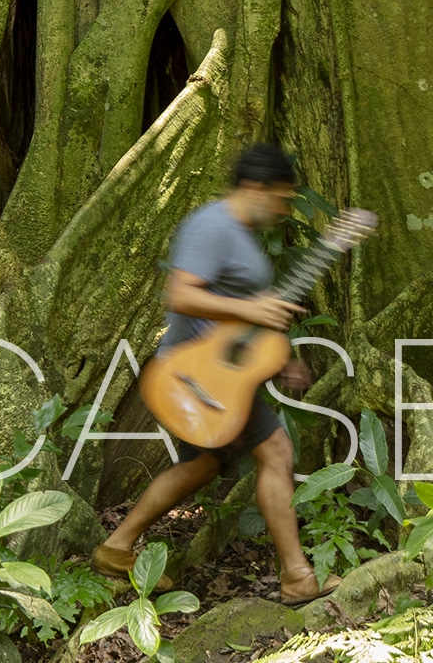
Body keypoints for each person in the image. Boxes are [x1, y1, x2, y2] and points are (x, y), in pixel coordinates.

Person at [92, 142, 331, 604]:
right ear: (256, 188)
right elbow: (180, 296)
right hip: (192, 377)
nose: (284, 209)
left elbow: (234, 323)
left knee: (203, 464)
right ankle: (298, 578)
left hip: (215, 378)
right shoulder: (212, 225)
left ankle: (116, 547)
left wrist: (277, 361)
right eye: (282, 197)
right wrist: (253, 306)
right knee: (277, 453)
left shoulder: (240, 233)